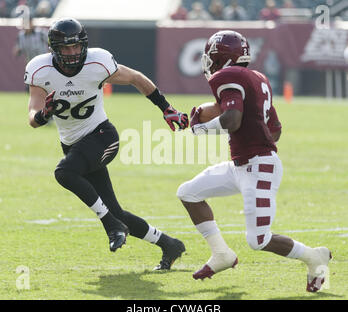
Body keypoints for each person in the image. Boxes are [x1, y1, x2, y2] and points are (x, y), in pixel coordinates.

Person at [24, 18, 188, 270]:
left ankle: (110, 226)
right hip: (73, 145)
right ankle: (169, 244)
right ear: (52, 49)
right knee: (116, 213)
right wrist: (44, 115)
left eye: (76, 47)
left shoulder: (97, 62)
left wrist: (166, 108)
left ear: (84, 45)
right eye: (66, 48)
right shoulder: (39, 69)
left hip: (102, 136)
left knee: (64, 173)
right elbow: (33, 118)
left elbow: (136, 77)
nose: (72, 52)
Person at [176, 30, 332, 292]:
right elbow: (275, 129)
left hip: (258, 167)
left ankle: (314, 257)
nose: (209, 63)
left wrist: (200, 129)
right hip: (244, 164)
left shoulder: (228, 75)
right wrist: (248, 136)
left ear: (222, 58)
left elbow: (232, 120)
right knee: (188, 193)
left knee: (259, 240)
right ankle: (221, 254)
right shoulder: (257, 78)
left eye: (212, 57)